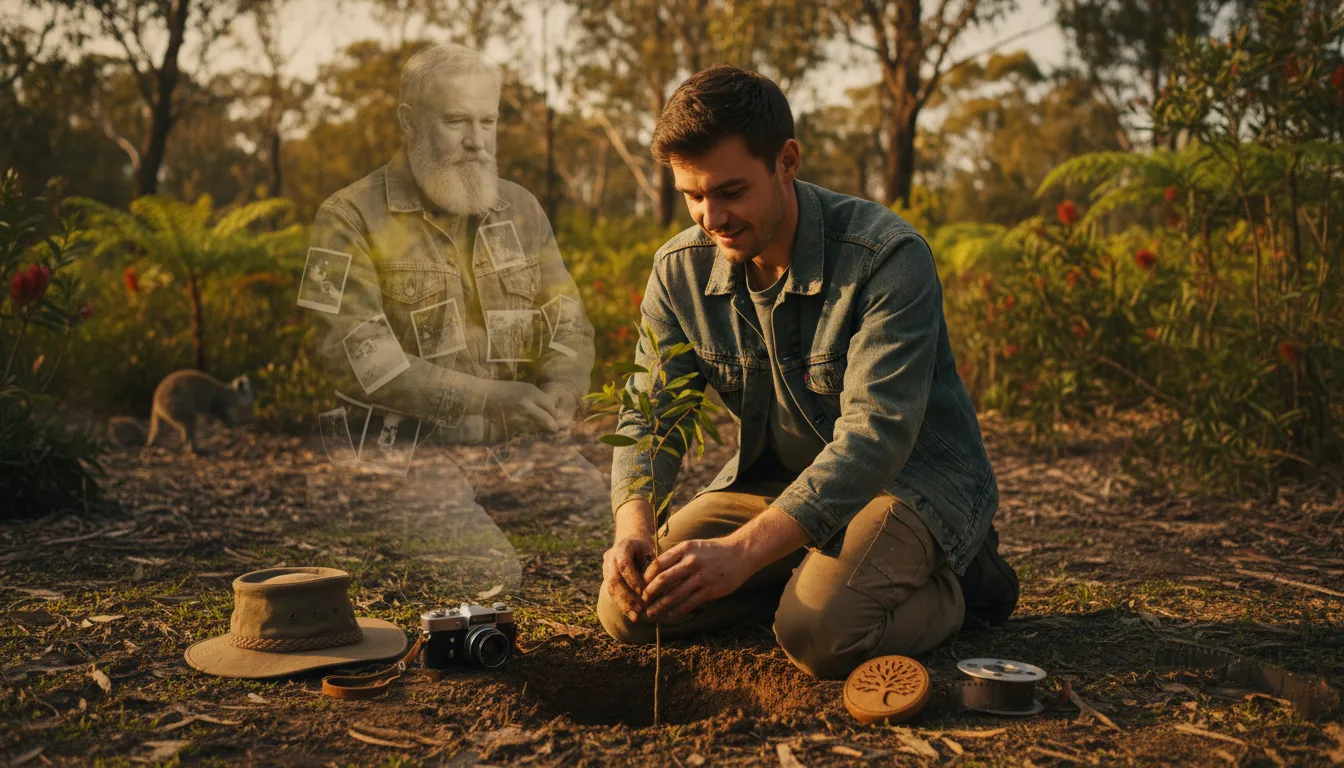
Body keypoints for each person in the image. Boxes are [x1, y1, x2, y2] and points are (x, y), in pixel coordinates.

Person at [597, 65, 1019, 679]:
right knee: (631, 610)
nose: (710, 217)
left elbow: (875, 437)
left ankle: (961, 579)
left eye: (731, 191)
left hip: (906, 485)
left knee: (817, 634)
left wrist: (741, 555)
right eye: (693, 195)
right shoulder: (678, 272)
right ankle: (804, 573)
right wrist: (632, 526)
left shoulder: (887, 257)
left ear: (787, 162)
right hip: (781, 485)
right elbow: (652, 412)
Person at [304, 43, 594, 445]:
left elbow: (568, 322)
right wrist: (486, 400)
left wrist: (563, 387)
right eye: (456, 120)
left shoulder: (523, 209)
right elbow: (352, 358)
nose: (478, 141)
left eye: (488, 122)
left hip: (520, 460)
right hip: (398, 465)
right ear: (409, 121)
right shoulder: (347, 217)